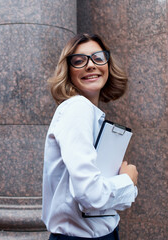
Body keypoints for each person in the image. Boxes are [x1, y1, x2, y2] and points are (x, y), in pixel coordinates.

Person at [42, 33, 139, 240]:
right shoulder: (78, 108)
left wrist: (119, 188)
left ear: (107, 64)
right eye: (79, 61)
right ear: (68, 72)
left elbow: (103, 199)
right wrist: (127, 181)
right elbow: (90, 194)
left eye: (98, 58)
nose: (90, 65)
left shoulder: (89, 114)